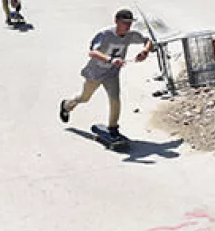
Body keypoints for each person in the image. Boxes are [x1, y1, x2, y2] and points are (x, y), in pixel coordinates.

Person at [59, 9, 153, 140]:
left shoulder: (131, 35)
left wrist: (145, 51)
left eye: (130, 23)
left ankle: (113, 128)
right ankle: (66, 105)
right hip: (95, 73)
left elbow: (148, 40)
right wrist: (111, 59)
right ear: (116, 21)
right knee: (84, 98)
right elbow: (92, 52)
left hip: (111, 74)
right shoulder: (105, 34)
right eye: (124, 23)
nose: (127, 26)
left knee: (115, 99)